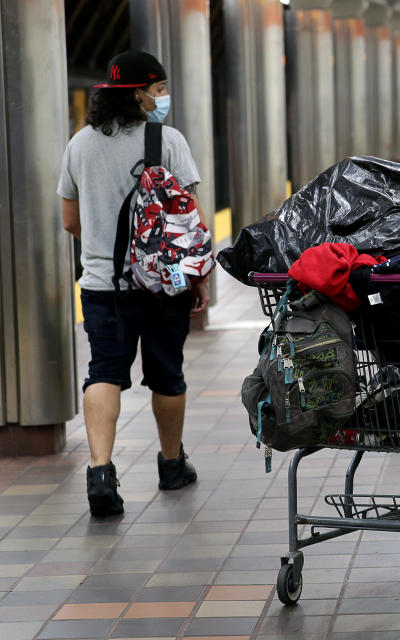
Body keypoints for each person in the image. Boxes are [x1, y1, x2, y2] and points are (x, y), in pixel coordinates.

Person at [58, 51, 208, 517]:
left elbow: (69, 221)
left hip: (103, 285)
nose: (163, 98)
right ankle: (170, 464)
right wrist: (197, 277)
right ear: (140, 94)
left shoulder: (80, 144)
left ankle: (101, 471)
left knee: (104, 371)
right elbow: (189, 221)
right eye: (159, 89)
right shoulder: (168, 140)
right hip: (163, 285)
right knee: (166, 373)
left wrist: (107, 245)